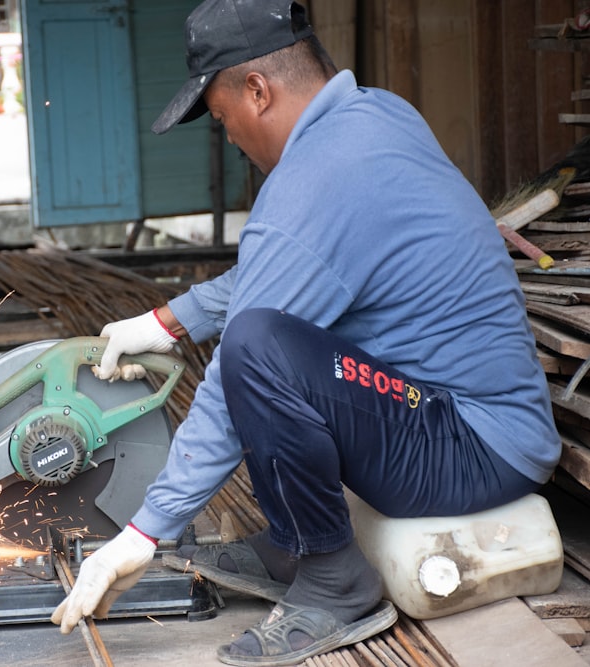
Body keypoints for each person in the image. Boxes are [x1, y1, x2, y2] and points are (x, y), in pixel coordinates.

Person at [50, 0, 562, 664]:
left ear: (258, 90)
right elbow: (295, 266)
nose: (231, 139)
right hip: (468, 419)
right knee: (264, 338)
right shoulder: (373, 116)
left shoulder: (317, 180)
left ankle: (335, 578)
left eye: (225, 120)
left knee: (259, 349)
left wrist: (145, 530)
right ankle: (294, 542)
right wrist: (168, 321)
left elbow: (247, 349)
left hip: (475, 449)